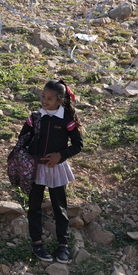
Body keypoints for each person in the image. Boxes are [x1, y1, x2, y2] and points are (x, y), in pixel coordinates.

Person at [17, 79, 82, 264]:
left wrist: (60, 156)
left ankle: (63, 244)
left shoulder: (67, 120)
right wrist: (27, 159)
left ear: (60, 100)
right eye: (43, 96)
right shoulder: (35, 118)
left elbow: (78, 145)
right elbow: (22, 141)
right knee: (35, 206)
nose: (44, 101)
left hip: (56, 169)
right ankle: (37, 242)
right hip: (37, 169)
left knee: (59, 207)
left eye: (50, 98)